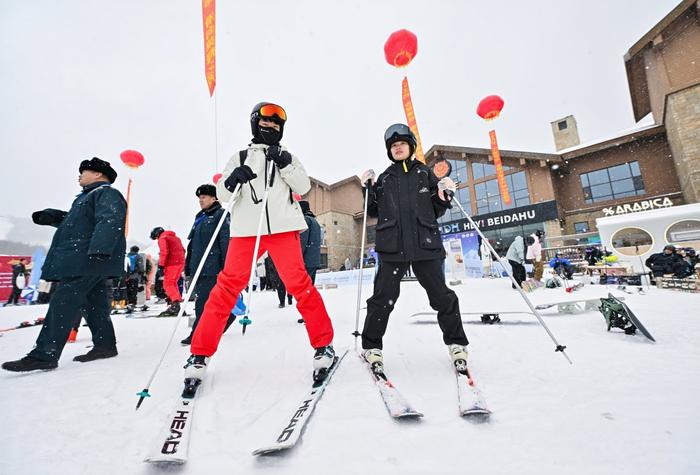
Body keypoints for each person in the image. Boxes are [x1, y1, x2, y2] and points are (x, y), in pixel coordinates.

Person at [184, 102, 335, 385]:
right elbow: (223, 196)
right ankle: (199, 354)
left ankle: (323, 345)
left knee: (299, 285)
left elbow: (303, 188)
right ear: (255, 126)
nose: (271, 129)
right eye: (266, 125)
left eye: (276, 126)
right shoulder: (240, 156)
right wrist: (233, 180)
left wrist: (285, 164)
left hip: (282, 228)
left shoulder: (288, 156)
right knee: (226, 288)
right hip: (246, 231)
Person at [359, 123, 469, 374]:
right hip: (392, 247)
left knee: (442, 296)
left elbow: (437, 209)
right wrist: (367, 190)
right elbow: (372, 212)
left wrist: (444, 195)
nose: (398, 148)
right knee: (382, 300)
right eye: (393, 145)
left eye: (402, 144)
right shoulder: (385, 178)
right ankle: (371, 346)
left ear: (411, 147)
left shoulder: (425, 174)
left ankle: (456, 344)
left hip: (424, 244)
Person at [2, 157, 126, 372]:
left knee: (63, 301)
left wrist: (100, 250)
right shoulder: (86, 198)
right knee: (93, 304)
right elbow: (79, 223)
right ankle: (105, 345)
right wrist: (53, 216)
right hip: (89, 260)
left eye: (83, 171)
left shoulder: (106, 193)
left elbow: (110, 220)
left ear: (97, 174)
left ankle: (44, 354)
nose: (79, 175)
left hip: (87, 260)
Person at [181, 184, 232, 345]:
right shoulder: (200, 217)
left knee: (202, 302)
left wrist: (225, 267)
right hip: (199, 267)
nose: (200, 200)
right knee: (209, 300)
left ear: (214, 198)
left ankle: (197, 333)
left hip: (212, 266)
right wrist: (188, 266)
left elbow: (225, 242)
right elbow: (192, 245)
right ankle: (228, 316)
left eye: (204, 197)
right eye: (199, 198)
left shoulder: (221, 215)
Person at [150, 227, 186, 316]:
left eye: (156, 237)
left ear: (157, 234)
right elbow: (183, 250)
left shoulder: (163, 238)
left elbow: (164, 252)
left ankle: (175, 305)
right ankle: (175, 303)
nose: (157, 239)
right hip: (180, 263)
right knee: (173, 284)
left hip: (171, 263)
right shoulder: (176, 238)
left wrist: (161, 265)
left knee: (168, 284)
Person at [297, 200, 322, 323]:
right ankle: (311, 314)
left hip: (306, 260)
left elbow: (301, 242)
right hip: (313, 260)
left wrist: (297, 258)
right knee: (310, 288)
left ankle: (308, 315)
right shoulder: (315, 222)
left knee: (305, 291)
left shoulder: (305, 221)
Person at [125, 246, 145, 313]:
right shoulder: (138, 257)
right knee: (134, 290)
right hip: (135, 276)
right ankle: (133, 303)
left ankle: (127, 302)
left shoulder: (126, 256)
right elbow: (141, 267)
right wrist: (142, 274)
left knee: (128, 289)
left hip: (127, 276)